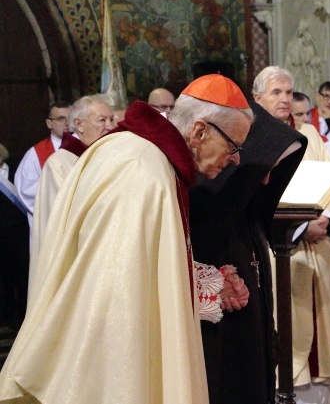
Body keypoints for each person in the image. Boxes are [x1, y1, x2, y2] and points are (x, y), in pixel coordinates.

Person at [0, 73, 253, 403]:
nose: (235, 159)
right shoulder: (143, 171)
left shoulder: (137, 154)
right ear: (200, 130)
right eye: (234, 146)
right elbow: (117, 296)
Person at [190, 102, 307, 404]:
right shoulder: (208, 210)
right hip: (222, 355)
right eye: (265, 169)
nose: (267, 180)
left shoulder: (249, 214)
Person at [253, 66, 330, 401]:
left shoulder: (309, 134)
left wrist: (327, 221)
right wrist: (300, 226)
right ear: (257, 98)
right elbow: (257, 197)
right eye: (276, 93)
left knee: (323, 333)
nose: (284, 99)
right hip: (280, 250)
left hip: (318, 247)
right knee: (287, 327)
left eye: (289, 93)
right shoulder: (252, 138)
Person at [28, 94, 114, 295]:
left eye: (111, 119)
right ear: (79, 124)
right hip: (73, 257)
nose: (110, 126)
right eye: (102, 120)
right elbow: (68, 217)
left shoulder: (105, 157)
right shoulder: (60, 163)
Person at [14, 101, 71, 225]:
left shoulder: (84, 147)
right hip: (51, 220)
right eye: (61, 119)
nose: (67, 123)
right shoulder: (36, 154)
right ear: (49, 123)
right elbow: (26, 190)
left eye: (70, 118)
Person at [0, 145, 29, 331]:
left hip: (20, 231)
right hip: (0, 233)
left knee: (24, 275)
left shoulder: (17, 167)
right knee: (4, 278)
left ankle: (24, 315)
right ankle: (8, 316)